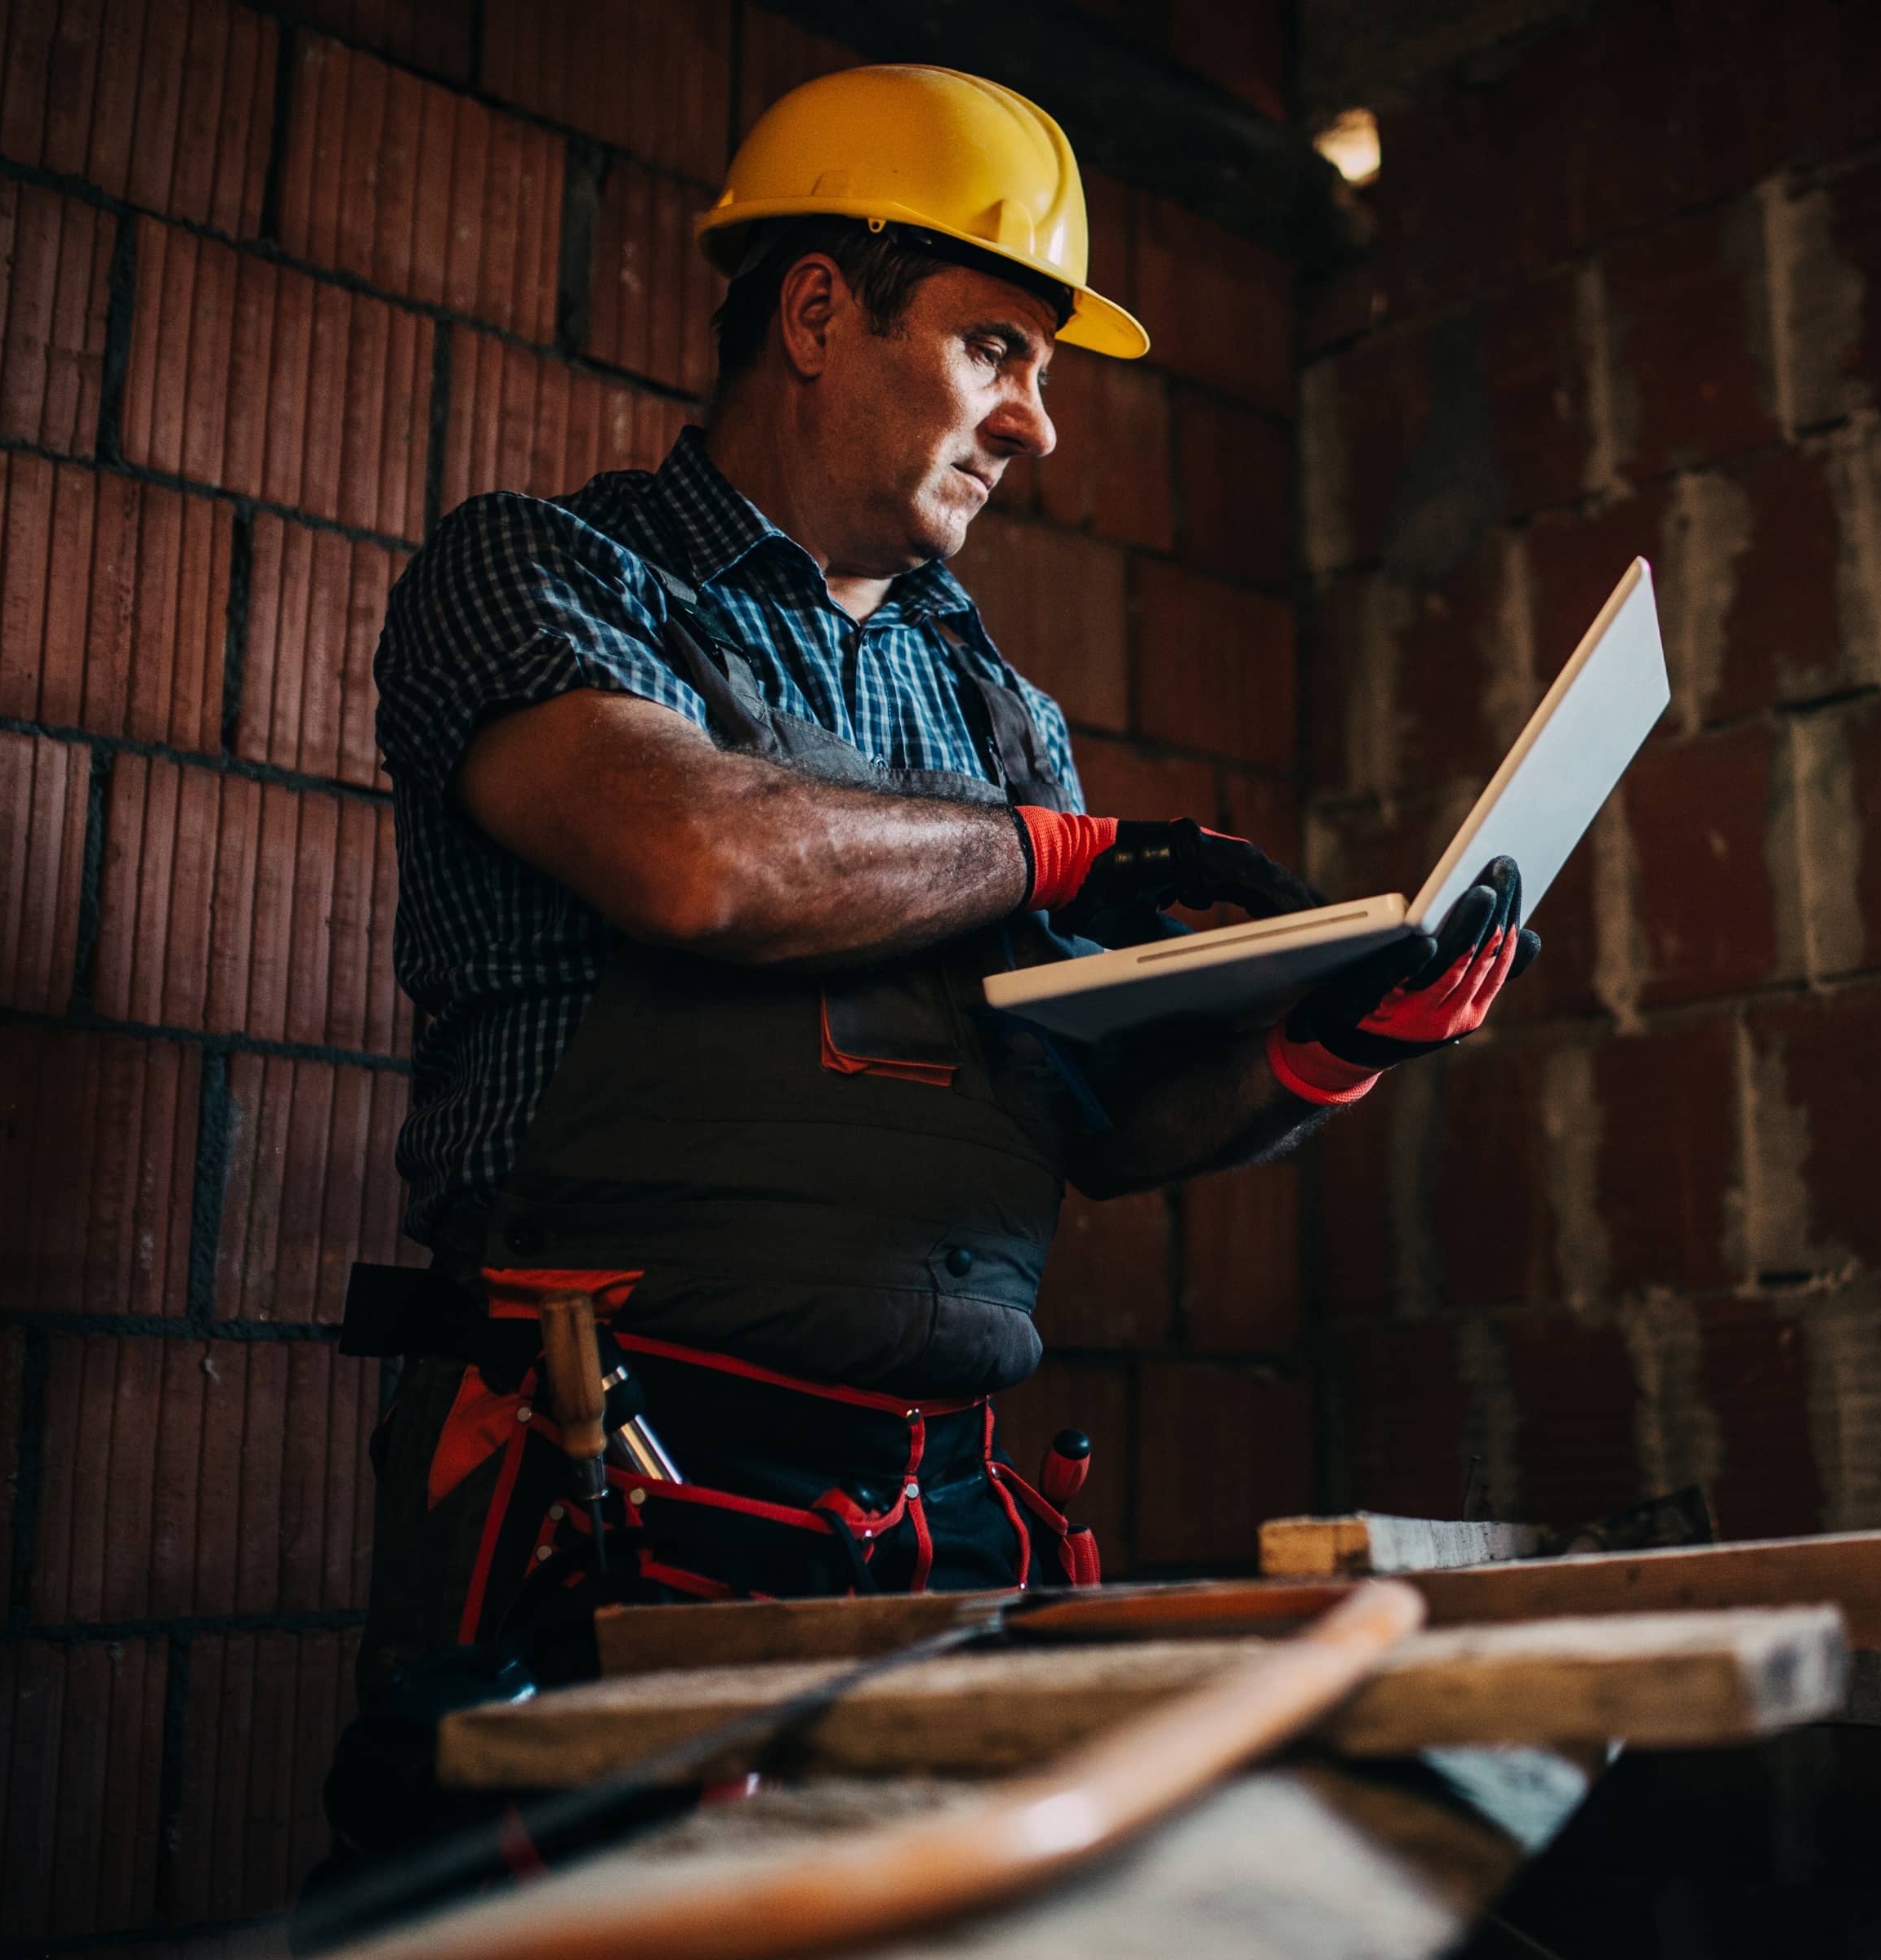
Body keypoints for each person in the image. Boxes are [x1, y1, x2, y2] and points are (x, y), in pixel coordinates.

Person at [316, 63, 1536, 1882]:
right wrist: (1053, 854)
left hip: (933, 1509)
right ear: (818, 310)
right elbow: (697, 858)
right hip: (612, 1487)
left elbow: (1098, 1113)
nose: (1040, 424)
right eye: (996, 350)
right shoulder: (545, 571)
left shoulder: (998, 710)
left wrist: (1332, 1039)